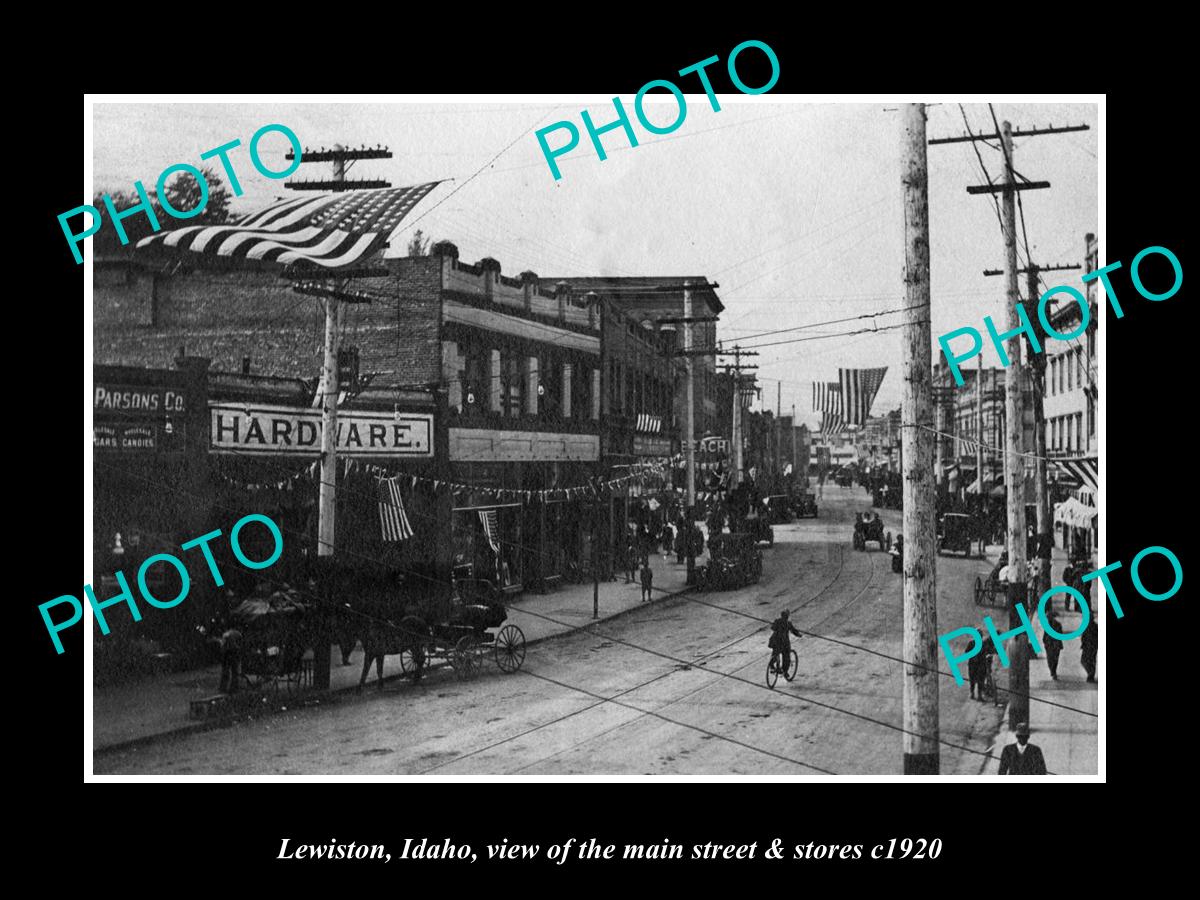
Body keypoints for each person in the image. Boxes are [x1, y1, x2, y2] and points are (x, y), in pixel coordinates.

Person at [768, 609, 801, 677]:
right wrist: (799, 635)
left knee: (775, 654)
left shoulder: (777, 621)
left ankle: (771, 665)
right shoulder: (788, 623)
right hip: (784, 642)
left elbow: (773, 628)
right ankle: (785, 671)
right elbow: (794, 631)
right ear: (787, 616)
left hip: (775, 641)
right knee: (786, 657)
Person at [1043, 613, 1064, 680]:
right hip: (1049, 644)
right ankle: (1052, 671)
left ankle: (1053, 671)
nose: (1048, 619)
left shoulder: (1058, 625)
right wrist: (1044, 642)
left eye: (1049, 617)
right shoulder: (1047, 625)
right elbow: (1045, 634)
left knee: (1054, 659)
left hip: (1055, 644)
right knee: (1050, 659)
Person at [1080, 610, 1098, 683]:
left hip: (1089, 646)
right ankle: (1091, 674)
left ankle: (1090, 674)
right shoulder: (1094, 626)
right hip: (1091, 646)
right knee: (1090, 660)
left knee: (1086, 660)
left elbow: (1083, 636)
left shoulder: (1089, 626)